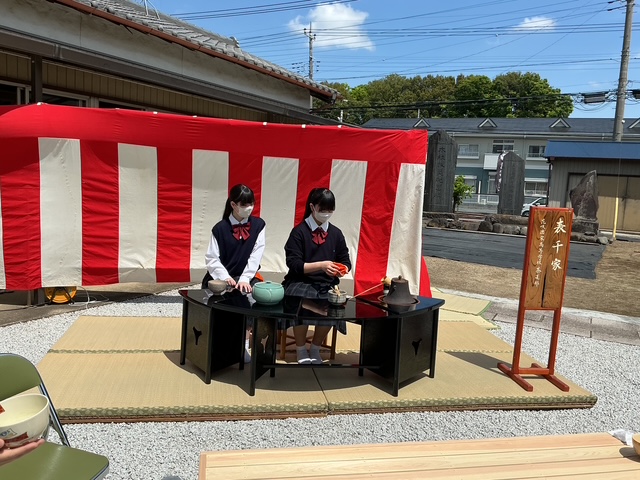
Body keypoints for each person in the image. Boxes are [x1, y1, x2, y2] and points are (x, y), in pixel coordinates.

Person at [282, 187, 351, 364]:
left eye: (330, 210)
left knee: (333, 303)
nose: (326, 213)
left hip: (326, 284)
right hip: (299, 281)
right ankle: (300, 349)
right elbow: (294, 264)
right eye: (323, 209)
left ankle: (315, 347)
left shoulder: (336, 233)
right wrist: (321, 265)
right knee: (300, 300)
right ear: (312, 207)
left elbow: (346, 261)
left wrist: (341, 269)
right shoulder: (299, 232)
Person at [202, 184, 266, 363]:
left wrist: (245, 278)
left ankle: (244, 344)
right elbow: (212, 259)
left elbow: (256, 255)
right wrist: (226, 277)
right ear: (233, 204)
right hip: (221, 277)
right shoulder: (219, 228)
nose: (249, 208)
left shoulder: (259, 225)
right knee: (223, 303)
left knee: (254, 299)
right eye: (244, 204)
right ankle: (219, 345)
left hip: (247, 276)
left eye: (251, 204)